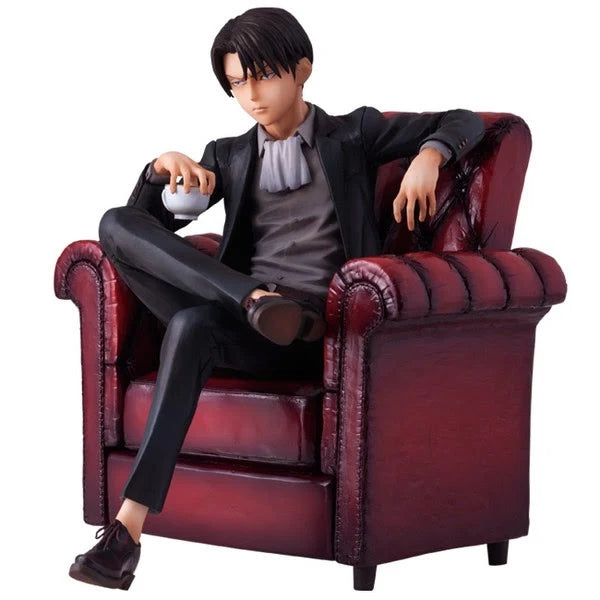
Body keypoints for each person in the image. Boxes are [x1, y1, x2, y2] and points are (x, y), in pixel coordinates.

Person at [69, 6, 485, 590]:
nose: (252, 96)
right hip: (245, 317)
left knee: (190, 325)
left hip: (311, 326)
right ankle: (248, 298)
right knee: (114, 222)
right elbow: (140, 234)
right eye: (237, 83)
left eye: (262, 76)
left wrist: (429, 155)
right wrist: (162, 170)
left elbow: (468, 120)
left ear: (303, 69)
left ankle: (127, 529)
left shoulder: (354, 135)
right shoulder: (229, 155)